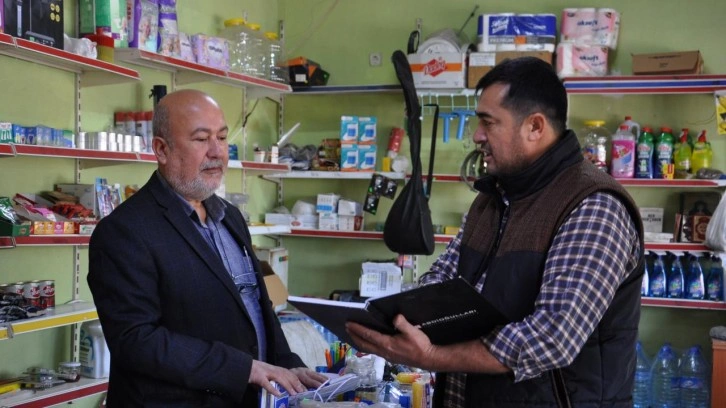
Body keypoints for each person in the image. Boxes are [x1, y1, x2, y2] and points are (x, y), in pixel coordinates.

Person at [347, 57, 645, 407]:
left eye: (488, 122)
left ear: (535, 126)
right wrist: (391, 320)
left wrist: (431, 356)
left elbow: (551, 338)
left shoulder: (593, 206)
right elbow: (441, 281)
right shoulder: (492, 200)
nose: (477, 135)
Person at [88, 89, 326, 407]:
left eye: (222, 137)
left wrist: (286, 363)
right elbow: (136, 340)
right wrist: (243, 369)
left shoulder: (231, 217)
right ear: (161, 149)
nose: (217, 152)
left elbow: (257, 304)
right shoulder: (124, 231)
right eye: (201, 139)